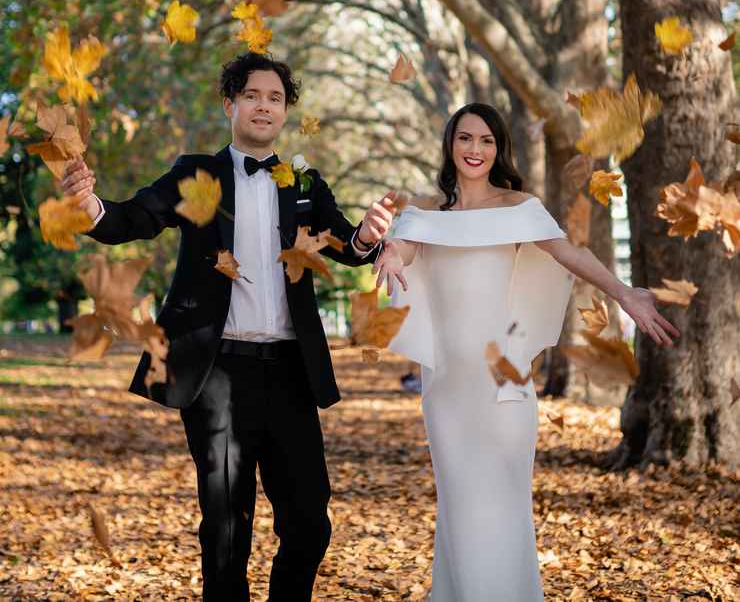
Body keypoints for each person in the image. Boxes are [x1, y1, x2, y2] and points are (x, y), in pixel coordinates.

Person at [61, 51, 395, 602]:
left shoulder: (306, 183)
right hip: (215, 372)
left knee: (310, 523)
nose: (264, 106)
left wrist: (369, 233)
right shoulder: (197, 174)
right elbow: (136, 218)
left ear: (285, 110)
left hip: (291, 372)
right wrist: (92, 206)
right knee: (224, 528)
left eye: (275, 98)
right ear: (230, 104)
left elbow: (348, 245)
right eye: (253, 96)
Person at [373, 102, 679, 602]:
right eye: (466, 138)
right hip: (447, 389)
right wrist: (389, 251)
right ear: (451, 145)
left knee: (502, 503)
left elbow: (570, 254)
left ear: (499, 150)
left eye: (487, 140)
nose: (475, 149)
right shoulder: (426, 212)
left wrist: (625, 293)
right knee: (459, 503)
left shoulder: (518, 208)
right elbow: (404, 250)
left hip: (504, 380)